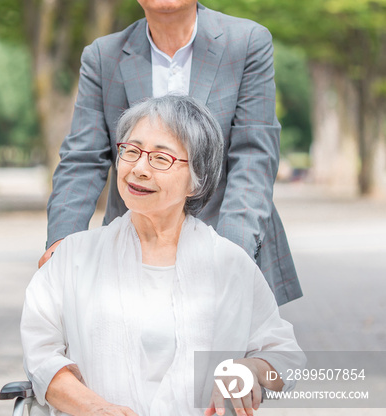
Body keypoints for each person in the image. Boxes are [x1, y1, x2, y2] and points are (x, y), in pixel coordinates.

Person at [1, 96, 305, 416]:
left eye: (161, 158)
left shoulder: (229, 265)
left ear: (196, 180)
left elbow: (285, 357)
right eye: (131, 152)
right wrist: (96, 409)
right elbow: (41, 356)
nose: (139, 169)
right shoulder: (72, 258)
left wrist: (249, 369)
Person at [40, 0, 302, 306]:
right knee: (126, 350)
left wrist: (231, 254)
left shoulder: (246, 43)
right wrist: (62, 241)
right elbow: (82, 160)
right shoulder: (103, 55)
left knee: (227, 354)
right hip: (135, 249)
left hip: (227, 235)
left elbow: (253, 155)